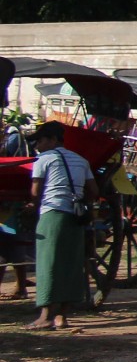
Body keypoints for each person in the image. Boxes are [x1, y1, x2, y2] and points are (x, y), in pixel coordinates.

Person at [27, 122, 99, 331]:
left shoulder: (44, 159)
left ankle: (45, 316)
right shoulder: (81, 160)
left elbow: (35, 192)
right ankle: (62, 316)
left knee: (48, 264)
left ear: (53, 140)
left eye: (40, 140)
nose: (37, 145)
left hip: (52, 215)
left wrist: (31, 206)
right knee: (71, 264)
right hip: (75, 219)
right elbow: (93, 190)